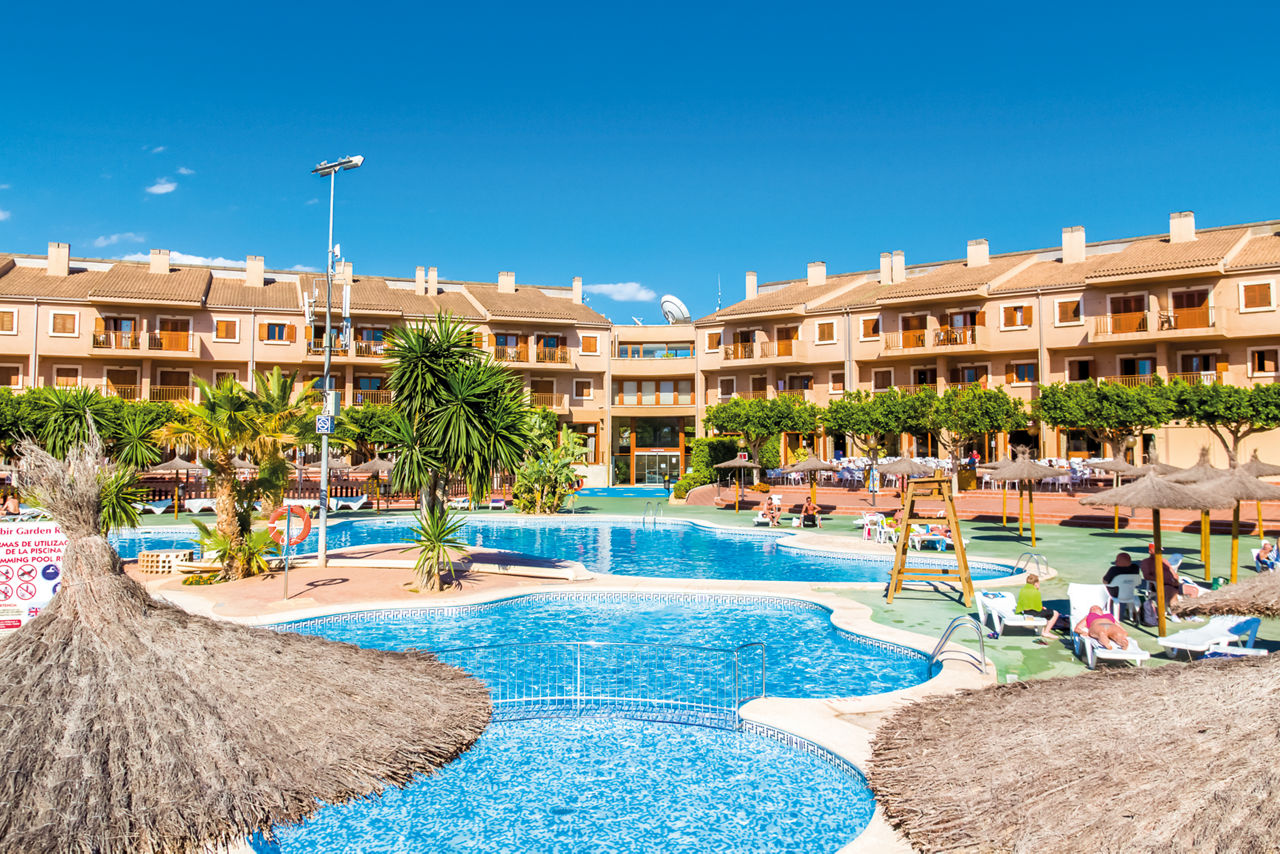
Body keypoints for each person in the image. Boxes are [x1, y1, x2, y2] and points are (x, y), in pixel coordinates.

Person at [1014, 573, 1062, 643]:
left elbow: (1025, 603)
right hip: (1032, 613)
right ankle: (1046, 632)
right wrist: (1042, 608)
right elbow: (1038, 608)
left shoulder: (1023, 590)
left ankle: (1042, 630)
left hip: (1024, 612)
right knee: (1055, 613)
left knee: (1044, 611)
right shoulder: (1036, 592)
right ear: (1036, 583)